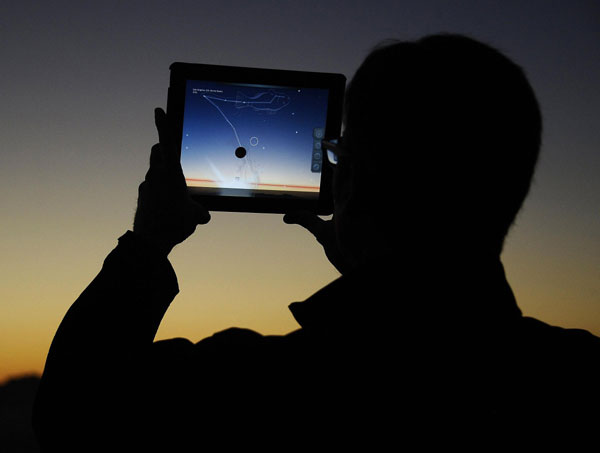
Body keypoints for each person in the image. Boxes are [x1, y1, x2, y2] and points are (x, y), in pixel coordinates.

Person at [33, 34, 599, 449]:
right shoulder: (574, 376)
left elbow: (70, 417)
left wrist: (147, 243)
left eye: (338, 157)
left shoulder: (256, 394)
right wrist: (372, 260)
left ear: (352, 179)